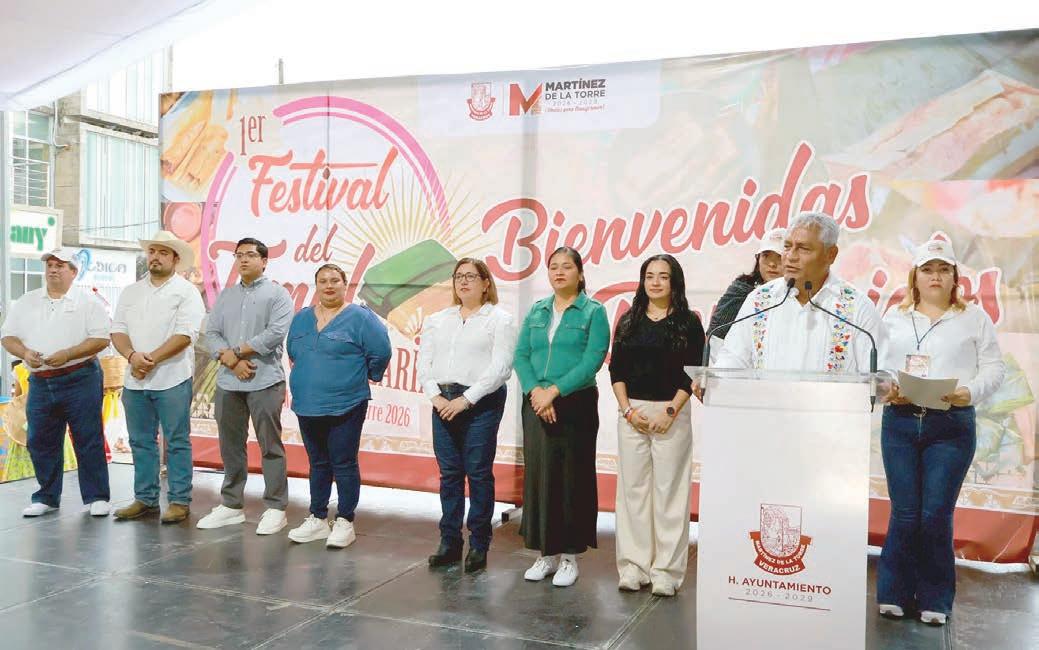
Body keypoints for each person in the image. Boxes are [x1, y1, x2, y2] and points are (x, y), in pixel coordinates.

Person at [876, 238, 1005, 626]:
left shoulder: (974, 319)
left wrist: (970, 392)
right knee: (905, 512)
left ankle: (935, 598)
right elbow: (880, 367)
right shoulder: (895, 317)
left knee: (935, 514)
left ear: (955, 278)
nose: (935, 276)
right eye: (928, 270)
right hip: (900, 422)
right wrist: (887, 388)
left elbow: (994, 368)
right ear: (914, 277)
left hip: (951, 425)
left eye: (943, 270)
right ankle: (893, 593)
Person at [514, 246, 610, 587]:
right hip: (536, 403)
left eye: (566, 267)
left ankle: (569, 557)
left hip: (574, 404)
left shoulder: (593, 312)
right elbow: (521, 355)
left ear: (579, 274)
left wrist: (554, 391)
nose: (558, 272)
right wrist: (535, 392)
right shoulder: (537, 310)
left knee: (571, 479)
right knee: (539, 478)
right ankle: (546, 553)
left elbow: (592, 360)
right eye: (553, 266)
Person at [610, 254, 705, 596]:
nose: (655, 282)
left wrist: (671, 411)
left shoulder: (688, 322)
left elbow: (692, 372)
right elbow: (616, 370)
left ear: (674, 281)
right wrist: (628, 411)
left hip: (671, 413)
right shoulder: (628, 320)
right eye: (649, 276)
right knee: (633, 492)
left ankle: (666, 571)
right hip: (632, 413)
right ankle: (633, 567)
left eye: (663, 276)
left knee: (670, 493)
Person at [418, 258, 516, 572]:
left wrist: (466, 400)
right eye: (458, 276)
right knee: (449, 474)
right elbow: (424, 364)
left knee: (477, 472)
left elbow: (501, 368)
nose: (463, 281)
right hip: (442, 400)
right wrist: (436, 397)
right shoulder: (437, 319)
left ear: (486, 283)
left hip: (480, 402)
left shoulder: (499, 320)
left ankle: (478, 543)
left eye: (471, 276)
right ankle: (449, 541)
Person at [285, 264, 391, 548]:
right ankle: (317, 518)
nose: (329, 286)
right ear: (316, 286)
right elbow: (293, 351)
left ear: (345, 285)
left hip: (347, 403)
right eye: (323, 281)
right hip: (307, 404)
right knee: (318, 463)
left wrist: (367, 375)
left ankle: (345, 520)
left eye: (335, 280)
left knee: (343, 462)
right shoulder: (301, 318)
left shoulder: (361, 318)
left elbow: (381, 351)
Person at [1, 249, 111, 517]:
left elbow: (101, 339)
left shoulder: (88, 302)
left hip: (80, 377)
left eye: (60, 265)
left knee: (88, 437)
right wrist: (25, 353)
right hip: (40, 381)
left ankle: (97, 497)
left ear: (74, 272)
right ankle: (47, 497)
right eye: (50, 265)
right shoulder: (27, 301)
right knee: (40, 440)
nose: (53, 269)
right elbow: (8, 337)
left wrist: (68, 354)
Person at [197, 238, 294, 535]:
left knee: (270, 445)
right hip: (228, 381)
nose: (243, 260)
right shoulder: (226, 296)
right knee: (230, 445)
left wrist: (237, 353)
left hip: (265, 380)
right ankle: (231, 505)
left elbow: (275, 334)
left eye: (250, 255)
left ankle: (276, 507)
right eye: (239, 255)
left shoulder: (278, 294)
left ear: (264, 261)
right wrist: (230, 361)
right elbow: (211, 333)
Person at [111, 231, 205, 524]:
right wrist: (132, 357)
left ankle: (179, 500)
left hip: (172, 378)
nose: (155, 257)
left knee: (176, 441)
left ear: (176, 259)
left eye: (163, 253)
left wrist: (149, 360)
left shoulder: (186, 291)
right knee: (140, 441)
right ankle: (145, 498)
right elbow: (117, 330)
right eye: (152, 251)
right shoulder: (131, 291)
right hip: (135, 379)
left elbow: (186, 334)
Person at [714, 212, 881, 374]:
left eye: (803, 249)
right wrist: (714, 379)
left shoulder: (856, 306)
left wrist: (885, 382)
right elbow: (732, 359)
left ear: (830, 254)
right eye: (787, 247)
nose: (790, 256)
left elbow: (880, 372)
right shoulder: (760, 300)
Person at [706, 228, 784, 360]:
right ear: (758, 259)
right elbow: (716, 339)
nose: (772, 264)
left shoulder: (799, 296)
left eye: (779, 257)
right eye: (766, 256)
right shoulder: (741, 291)